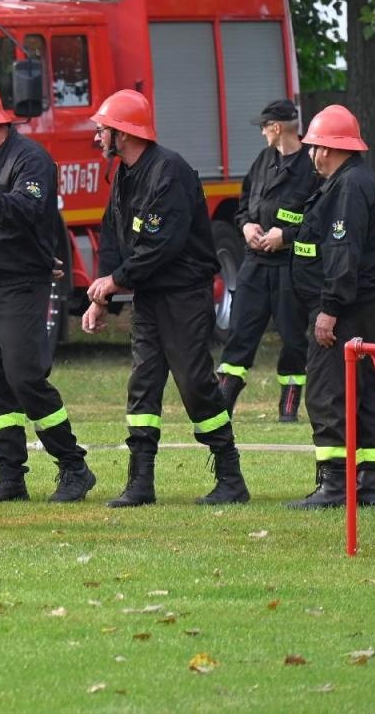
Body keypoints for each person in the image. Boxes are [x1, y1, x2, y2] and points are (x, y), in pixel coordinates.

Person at [83, 91, 249, 506]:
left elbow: (161, 245)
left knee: (194, 383)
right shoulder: (123, 173)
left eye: (103, 128)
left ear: (124, 133)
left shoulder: (168, 172)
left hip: (183, 297)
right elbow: (114, 237)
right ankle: (140, 482)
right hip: (150, 296)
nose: (98, 135)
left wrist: (116, 282)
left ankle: (230, 475)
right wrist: (101, 292)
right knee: (143, 384)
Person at [0, 79, 95, 503]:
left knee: (25, 377)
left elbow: (29, 208)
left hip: (19, 284)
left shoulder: (31, 160)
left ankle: (73, 466)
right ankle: (10, 476)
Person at [286, 105, 375, 510]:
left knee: (327, 390)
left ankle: (334, 485)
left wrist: (328, 308)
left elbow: (342, 253)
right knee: (364, 391)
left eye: (315, 147)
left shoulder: (348, 187)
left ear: (328, 149)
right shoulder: (363, 182)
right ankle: (369, 485)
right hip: (370, 303)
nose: (312, 154)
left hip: (346, 307)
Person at [215, 99, 316, 421]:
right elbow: (243, 205)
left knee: (292, 339)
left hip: (290, 267)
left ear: (276, 127)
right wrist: (245, 226)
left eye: (264, 126)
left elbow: (318, 219)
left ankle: (289, 407)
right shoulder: (263, 161)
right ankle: (223, 401)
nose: (261, 132)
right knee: (240, 331)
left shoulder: (311, 168)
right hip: (255, 264)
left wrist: (284, 236)